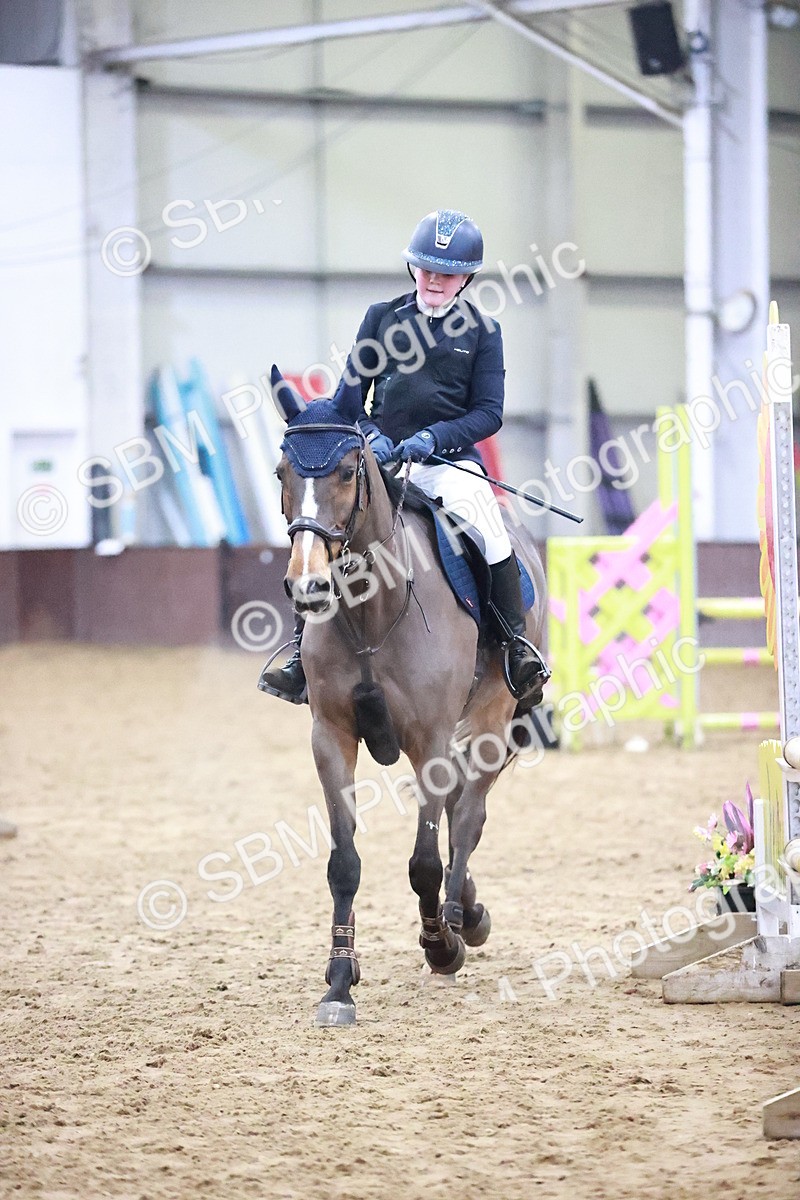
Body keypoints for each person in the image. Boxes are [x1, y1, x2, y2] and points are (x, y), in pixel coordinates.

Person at [260, 209, 548, 705]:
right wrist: (372, 436)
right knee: (328, 525)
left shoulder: (483, 331)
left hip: (449, 465)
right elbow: (351, 400)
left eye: (447, 273)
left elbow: (488, 413)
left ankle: (515, 646)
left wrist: (434, 438)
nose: (434, 280)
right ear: (413, 267)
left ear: (466, 278)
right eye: (427, 269)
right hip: (383, 463)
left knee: (490, 530)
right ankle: (300, 655)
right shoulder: (381, 318)